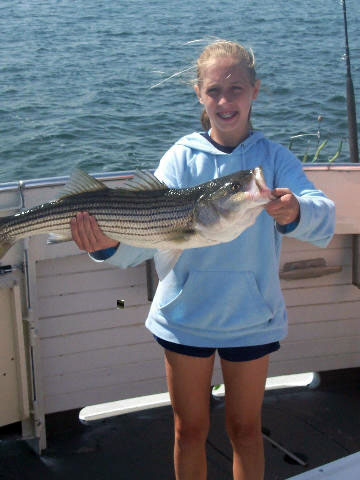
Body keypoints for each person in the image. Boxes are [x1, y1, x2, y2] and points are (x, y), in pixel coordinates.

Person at [70, 40, 335, 480]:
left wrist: (297, 210)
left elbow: (321, 214)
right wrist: (106, 245)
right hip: (184, 317)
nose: (225, 100)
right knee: (187, 430)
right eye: (214, 90)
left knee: (246, 431)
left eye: (236, 89)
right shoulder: (181, 157)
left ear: (255, 91)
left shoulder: (271, 160)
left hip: (252, 318)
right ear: (199, 94)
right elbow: (152, 234)